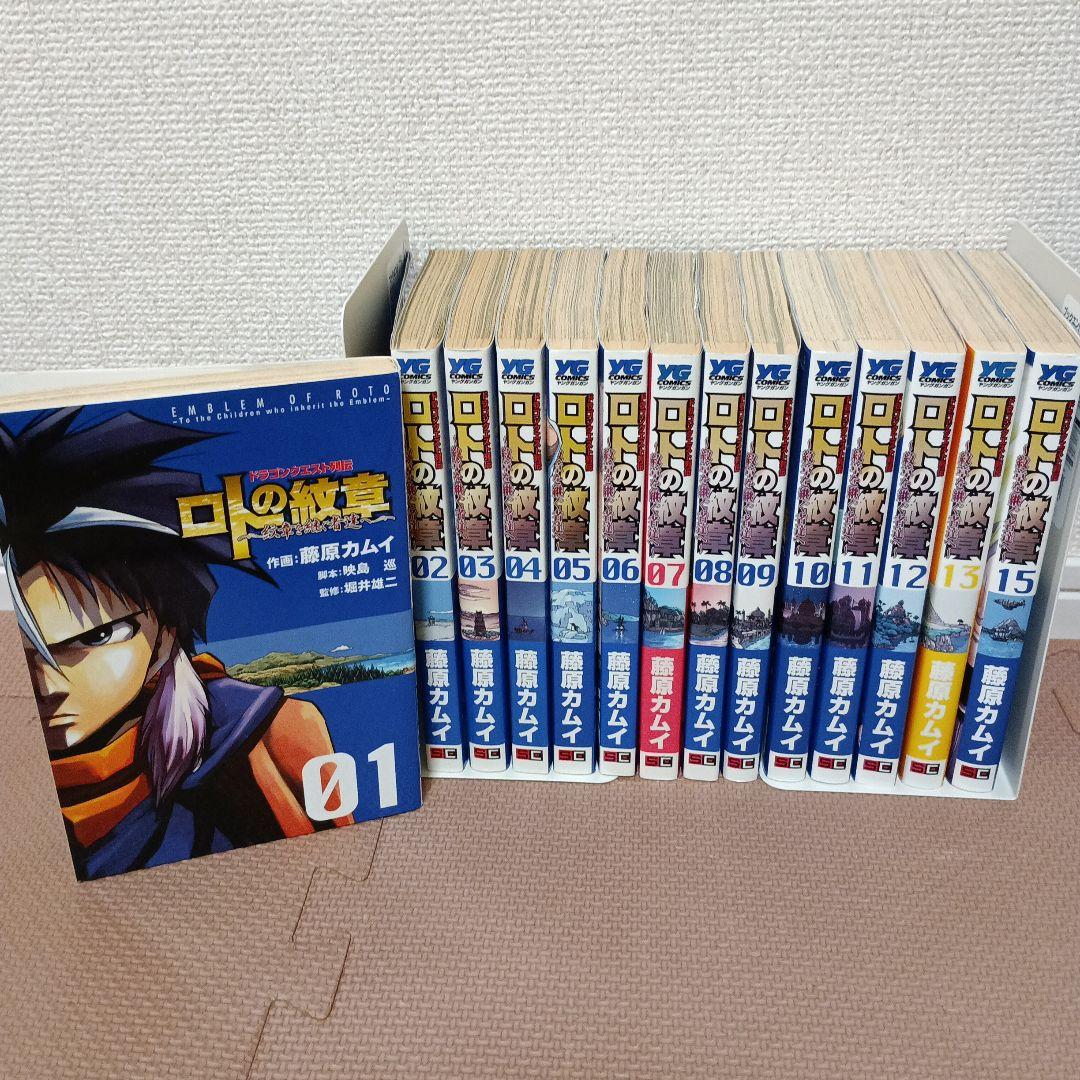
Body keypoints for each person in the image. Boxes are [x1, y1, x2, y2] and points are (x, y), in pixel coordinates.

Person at [0, 407, 352, 880]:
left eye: (96, 637)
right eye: (31, 649)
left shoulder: (262, 737)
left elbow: (335, 848)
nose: (49, 683)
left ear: (164, 634)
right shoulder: (28, 785)